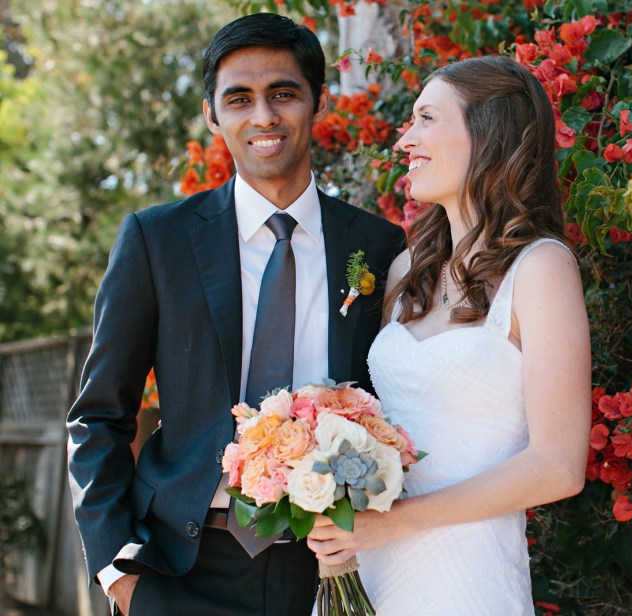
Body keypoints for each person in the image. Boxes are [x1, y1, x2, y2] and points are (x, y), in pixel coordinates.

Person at [66, 13, 405, 616]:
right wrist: (116, 571)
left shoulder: (375, 247)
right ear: (211, 114)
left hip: (331, 568)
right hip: (182, 568)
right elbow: (98, 415)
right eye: (239, 98)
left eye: (283, 93)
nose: (264, 117)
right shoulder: (156, 240)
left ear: (318, 102)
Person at [306, 55, 592, 614]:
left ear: (488, 134)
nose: (404, 139)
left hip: (466, 578)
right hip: (368, 575)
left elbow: (558, 466)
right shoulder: (406, 271)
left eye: (426, 118)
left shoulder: (540, 269)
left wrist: (388, 527)